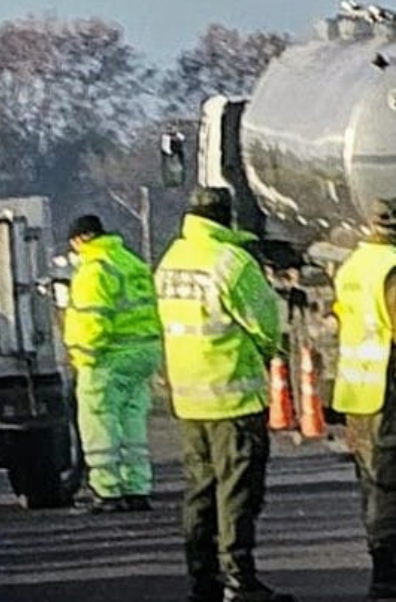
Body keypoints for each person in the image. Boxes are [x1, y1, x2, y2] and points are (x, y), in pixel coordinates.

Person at [155, 187, 294, 602]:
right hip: (233, 399)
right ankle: (239, 578)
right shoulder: (231, 263)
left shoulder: (170, 261)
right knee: (237, 492)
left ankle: (203, 578)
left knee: (199, 490)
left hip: (189, 398)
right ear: (226, 218)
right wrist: (269, 354)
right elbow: (266, 323)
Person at [63, 214, 163, 513]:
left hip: (108, 357)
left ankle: (107, 491)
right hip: (143, 353)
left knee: (99, 422)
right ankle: (138, 487)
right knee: (133, 422)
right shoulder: (131, 262)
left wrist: (83, 359)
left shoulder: (94, 270)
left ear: (81, 239)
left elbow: (92, 321)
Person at [332, 197, 396, 601]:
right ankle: (389, 577)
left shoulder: (354, 264)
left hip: (357, 390)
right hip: (387, 390)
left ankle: (384, 572)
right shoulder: (391, 269)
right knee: (388, 488)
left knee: (374, 486)